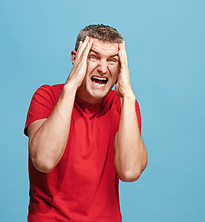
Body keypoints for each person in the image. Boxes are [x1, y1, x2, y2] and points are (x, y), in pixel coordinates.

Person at [24, 24, 147, 222]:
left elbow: (130, 171)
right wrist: (71, 86)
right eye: (93, 57)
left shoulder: (125, 107)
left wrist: (129, 97)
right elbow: (44, 160)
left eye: (112, 60)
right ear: (75, 58)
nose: (103, 68)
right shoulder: (46, 96)